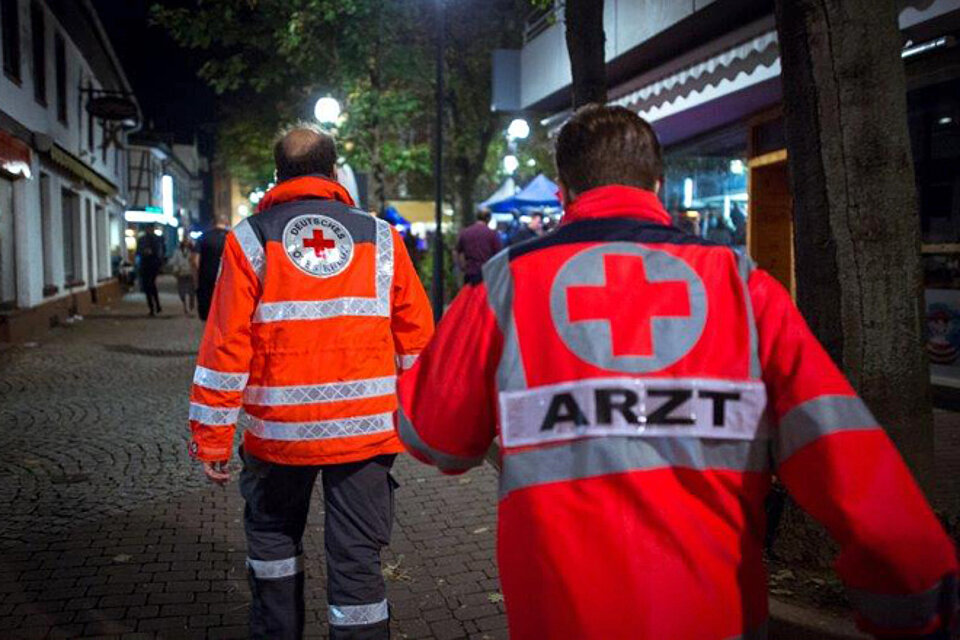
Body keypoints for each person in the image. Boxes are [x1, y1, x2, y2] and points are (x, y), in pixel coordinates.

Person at [396, 105, 958, 640]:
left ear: (564, 192)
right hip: (716, 612)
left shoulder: (505, 284)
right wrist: (912, 584)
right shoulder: (743, 286)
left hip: (562, 613)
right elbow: (842, 446)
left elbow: (436, 437)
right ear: (658, 186)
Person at [187, 124, 434, 640]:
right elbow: (417, 338)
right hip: (366, 437)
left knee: (274, 551)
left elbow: (226, 344)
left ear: (278, 174)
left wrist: (212, 436)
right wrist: (422, 420)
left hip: (279, 437)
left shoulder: (250, 238)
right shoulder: (381, 238)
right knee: (357, 563)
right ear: (333, 169)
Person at [192, 218, 229, 321]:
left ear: (213, 224)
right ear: (226, 223)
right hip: (226, 277)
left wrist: (197, 276)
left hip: (206, 276)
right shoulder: (231, 237)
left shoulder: (203, 237)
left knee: (206, 305)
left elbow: (195, 260)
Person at [454, 208, 502, 285]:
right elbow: (499, 255)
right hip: (486, 274)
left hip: (470, 273)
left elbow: (456, 251)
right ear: (488, 219)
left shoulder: (465, 233)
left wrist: (461, 266)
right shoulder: (492, 234)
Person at [135, 226, 165, 316]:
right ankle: (155, 306)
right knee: (150, 286)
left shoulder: (146, 239)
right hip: (149, 265)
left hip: (149, 265)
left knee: (149, 286)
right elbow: (161, 252)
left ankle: (154, 307)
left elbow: (138, 252)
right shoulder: (156, 239)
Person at [169, 238, 196, 315]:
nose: (186, 243)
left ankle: (191, 306)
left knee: (191, 291)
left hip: (190, 273)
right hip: (181, 273)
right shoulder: (177, 252)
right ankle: (185, 306)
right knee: (182, 291)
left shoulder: (193, 252)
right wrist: (175, 270)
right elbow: (174, 261)